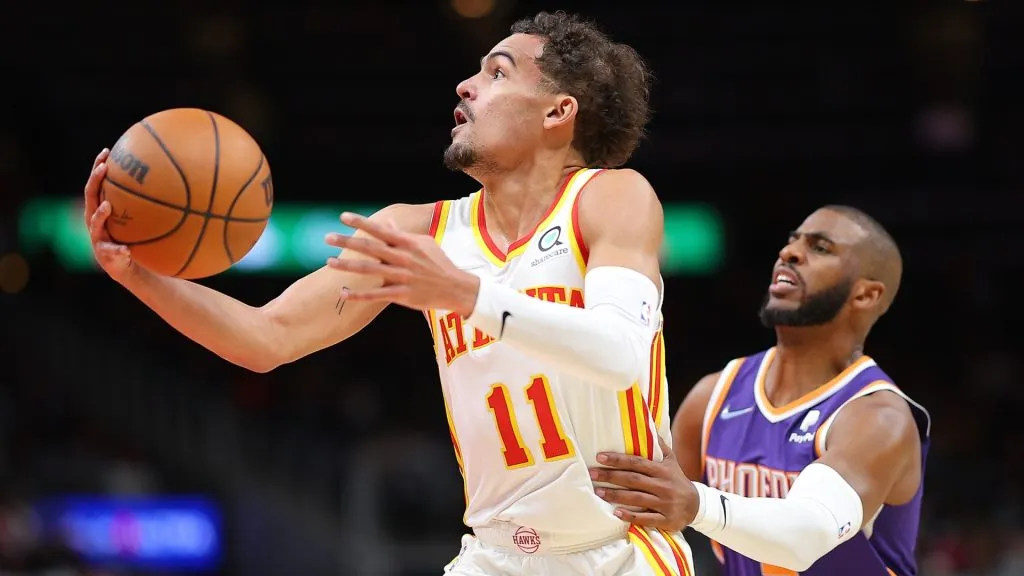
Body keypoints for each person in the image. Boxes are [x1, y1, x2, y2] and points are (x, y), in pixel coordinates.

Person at [83, 11, 694, 576]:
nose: (465, 85)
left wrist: (464, 293)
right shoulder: (415, 230)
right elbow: (266, 338)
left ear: (558, 113)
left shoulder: (610, 197)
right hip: (494, 556)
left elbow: (620, 354)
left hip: (619, 552)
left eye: (496, 72)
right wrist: (138, 273)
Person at [588, 206, 930, 576]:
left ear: (865, 295)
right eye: (791, 241)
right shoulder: (714, 396)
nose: (789, 253)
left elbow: (808, 534)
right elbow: (625, 504)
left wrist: (697, 505)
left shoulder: (878, 418)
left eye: (820, 248)